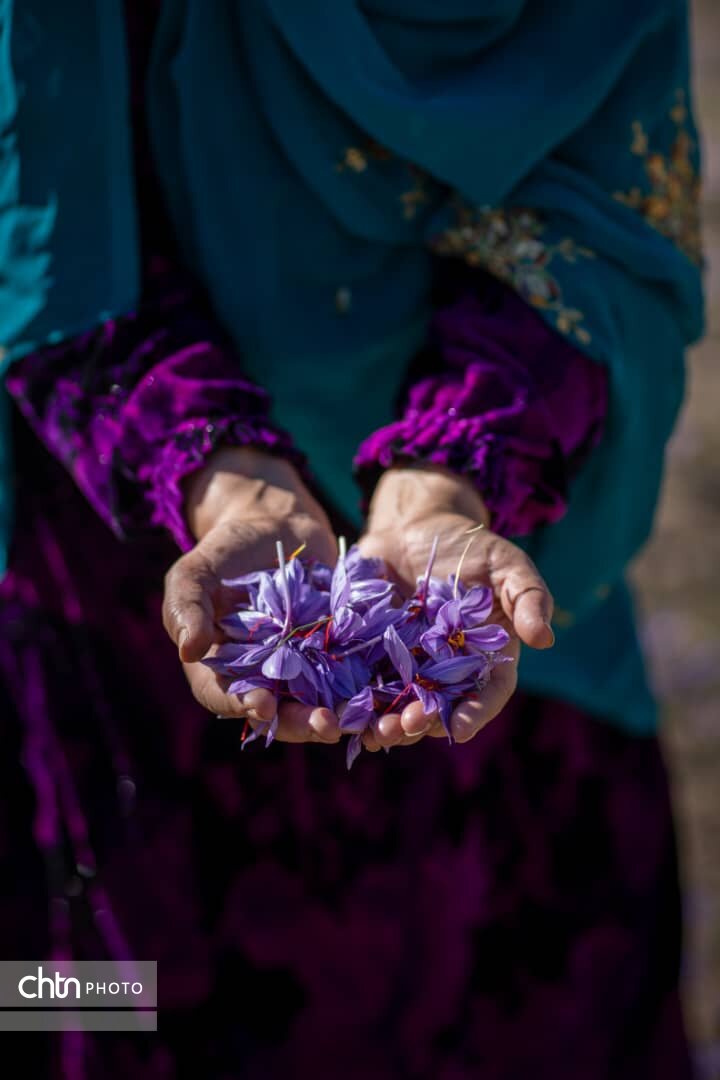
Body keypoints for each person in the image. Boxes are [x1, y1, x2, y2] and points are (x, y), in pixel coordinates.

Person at [0, 1, 704, 1077]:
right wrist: (225, 484)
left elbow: (602, 210)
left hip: (484, 586)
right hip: (120, 585)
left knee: (525, 992)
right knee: (86, 995)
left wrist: (447, 485)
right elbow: (34, 241)